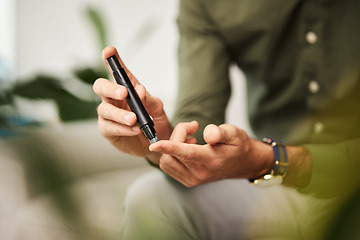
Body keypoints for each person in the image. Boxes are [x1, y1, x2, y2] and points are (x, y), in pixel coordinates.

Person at [93, 0, 360, 239]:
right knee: (151, 200)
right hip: (282, 186)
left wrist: (269, 159)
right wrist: (162, 144)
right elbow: (198, 116)